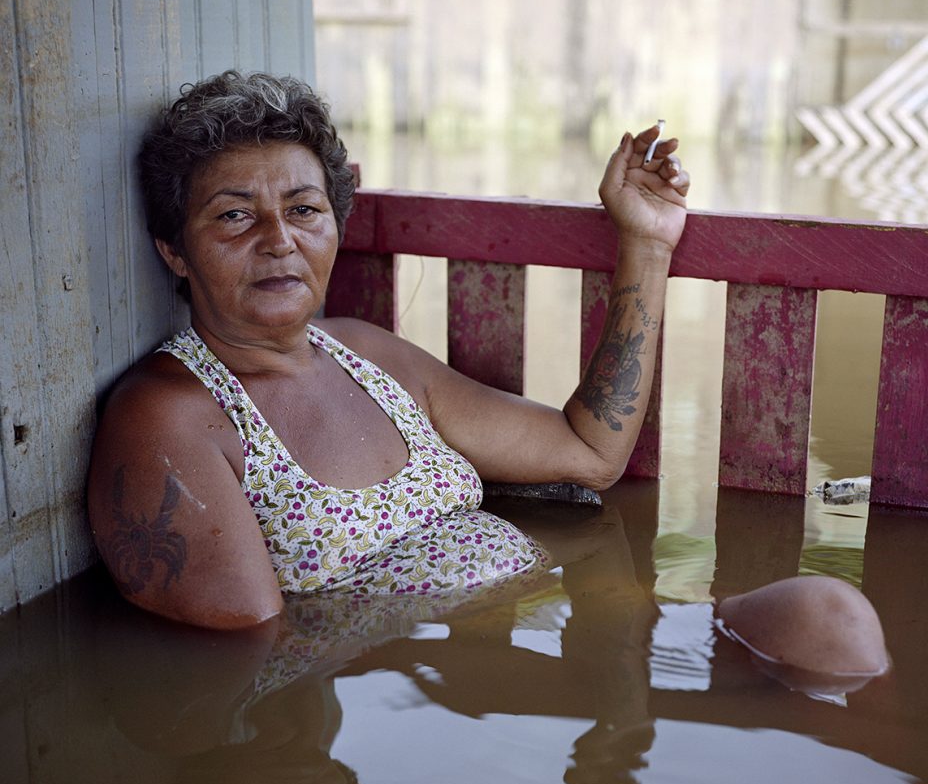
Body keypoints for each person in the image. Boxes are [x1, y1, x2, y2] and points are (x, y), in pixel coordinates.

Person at [87, 70, 689, 630]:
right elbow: (252, 653)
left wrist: (647, 242)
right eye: (235, 216)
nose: (279, 241)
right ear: (174, 251)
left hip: (488, 660)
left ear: (334, 225)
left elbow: (589, 454)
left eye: (303, 209)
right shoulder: (168, 416)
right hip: (405, 706)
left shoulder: (365, 353)